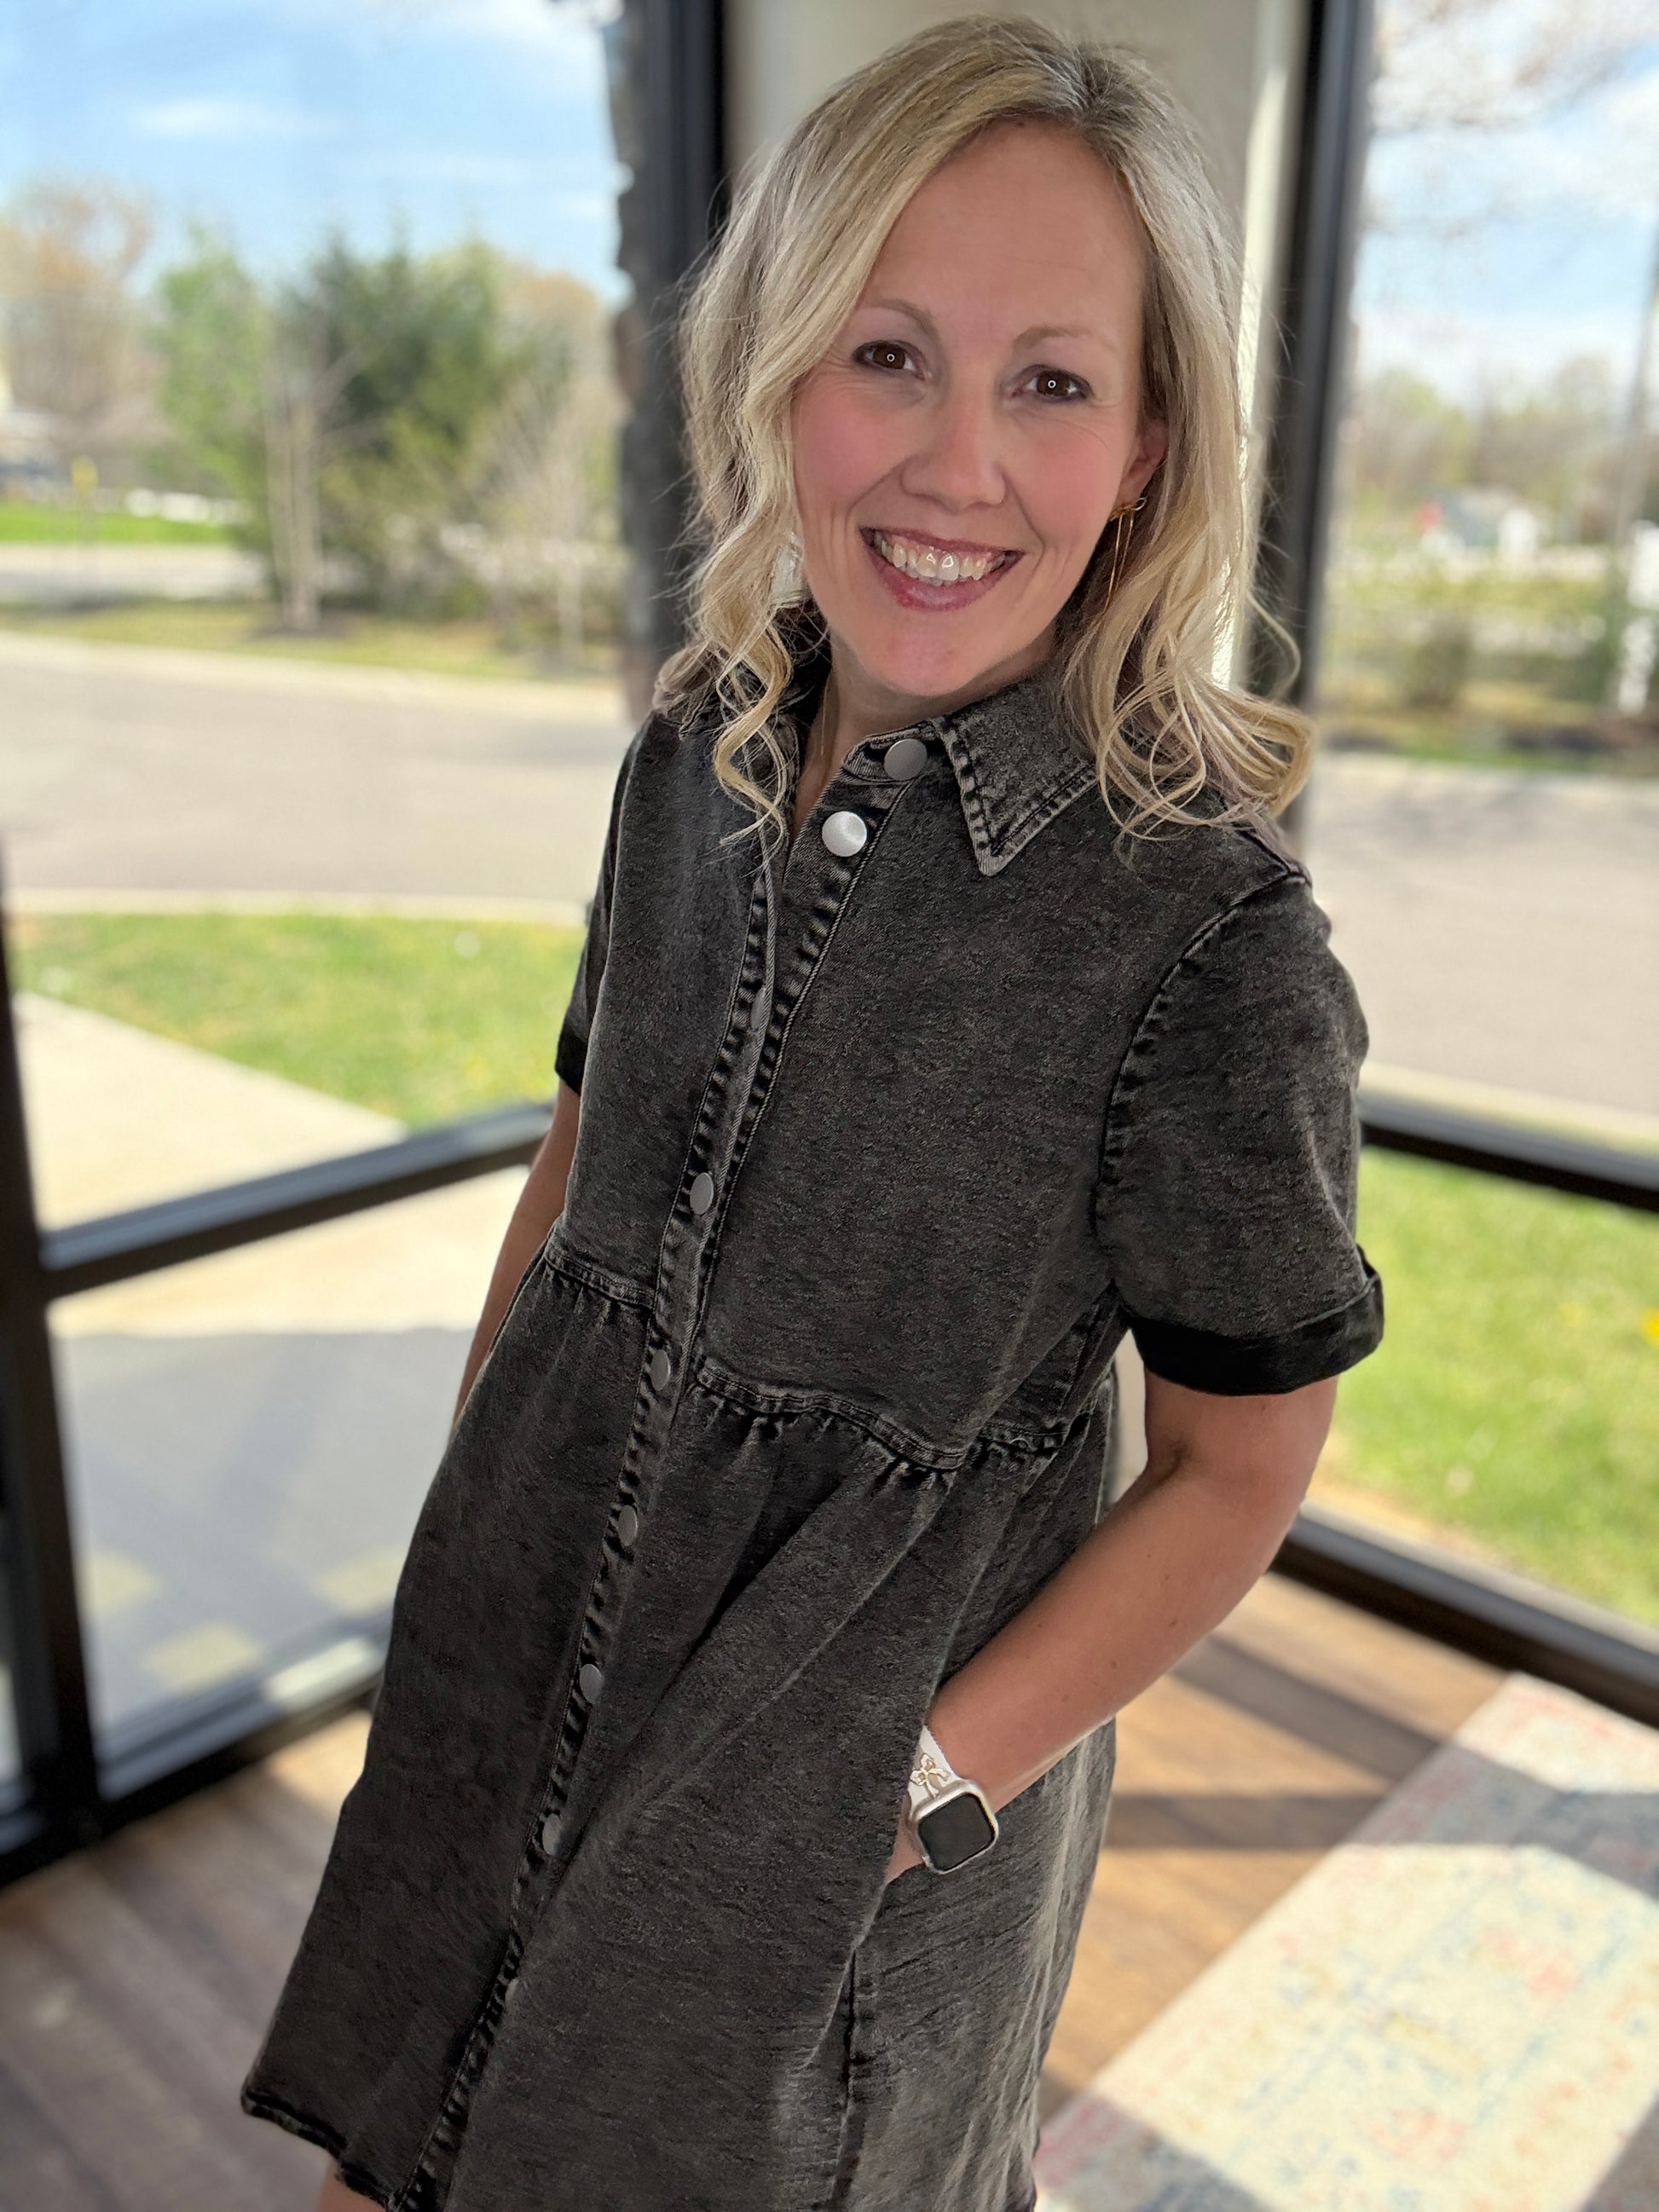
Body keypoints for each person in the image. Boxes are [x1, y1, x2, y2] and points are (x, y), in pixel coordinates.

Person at [245, 18, 1384, 2212]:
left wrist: (903, 1787)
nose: (956, 462)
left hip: (842, 1817)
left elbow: (1239, 1467)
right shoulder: (691, 750)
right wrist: (485, 1497)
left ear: (1143, 447)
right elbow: (583, 1154)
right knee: (418, 2132)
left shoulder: (1204, 940)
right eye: (888, 353)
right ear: (779, 371)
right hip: (521, 1657)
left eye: (1049, 382)